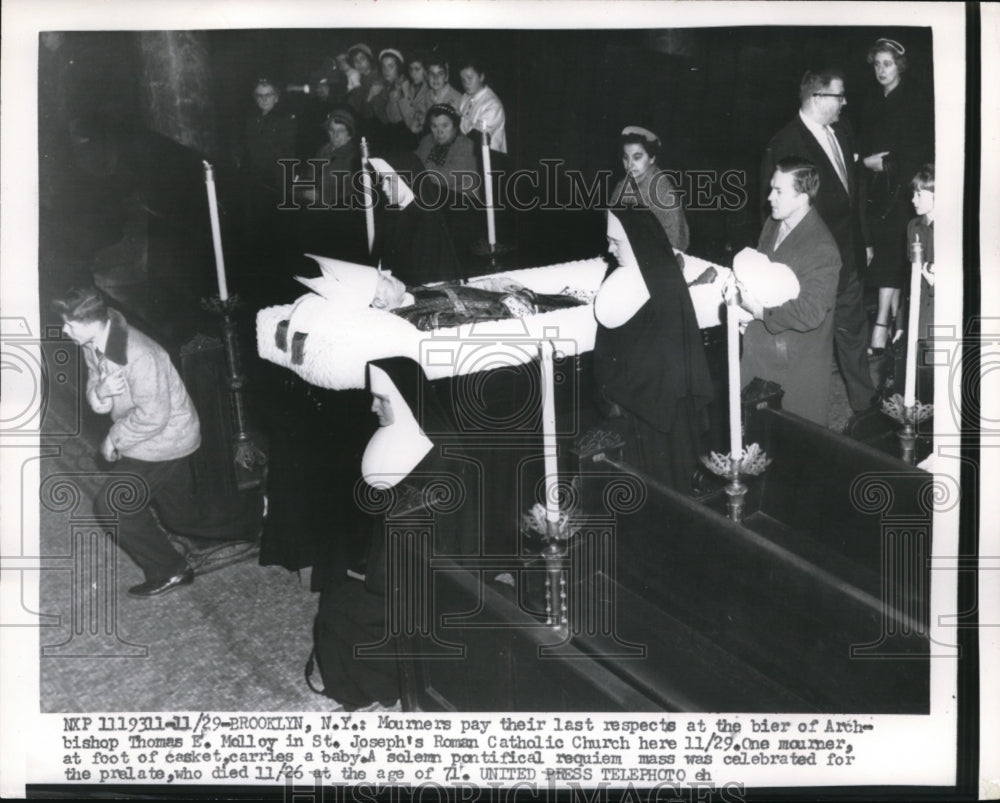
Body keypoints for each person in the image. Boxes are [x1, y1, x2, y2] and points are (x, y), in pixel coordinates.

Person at [53, 287, 261, 597]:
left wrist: (114, 438)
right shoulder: (93, 341)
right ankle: (259, 514)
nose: (64, 329)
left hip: (165, 438)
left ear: (90, 320)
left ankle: (171, 570)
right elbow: (95, 391)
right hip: (147, 433)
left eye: (69, 324)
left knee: (114, 506)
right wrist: (102, 392)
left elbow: (154, 416)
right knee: (182, 516)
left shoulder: (141, 354)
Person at [310, 357, 478, 710]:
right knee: (339, 592)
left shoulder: (437, 468)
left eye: (381, 399)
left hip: (422, 595)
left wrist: (366, 574)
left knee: (338, 610)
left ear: (403, 399)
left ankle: (373, 685)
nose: (372, 406)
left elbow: (402, 568)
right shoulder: (417, 436)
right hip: (406, 572)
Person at [761, 68, 878, 431]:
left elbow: (852, 194)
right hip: (811, 263)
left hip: (849, 253)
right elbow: (773, 211)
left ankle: (864, 403)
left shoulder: (842, 132)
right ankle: (801, 422)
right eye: (838, 96)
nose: (844, 102)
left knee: (853, 330)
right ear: (816, 98)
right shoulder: (785, 143)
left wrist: (865, 239)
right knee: (811, 339)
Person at [592, 208, 713, 492]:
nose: (609, 249)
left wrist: (622, 393)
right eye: (609, 240)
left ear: (636, 241)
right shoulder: (620, 275)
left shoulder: (664, 283)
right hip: (630, 402)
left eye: (616, 242)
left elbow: (668, 362)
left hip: (658, 409)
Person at [738, 159, 842, 425]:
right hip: (759, 351)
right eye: (771, 188)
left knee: (792, 444)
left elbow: (811, 312)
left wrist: (758, 311)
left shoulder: (822, 248)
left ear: (803, 196)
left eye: (779, 191)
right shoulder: (773, 224)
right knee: (754, 436)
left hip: (791, 365)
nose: (769, 197)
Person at [858, 38, 934, 356]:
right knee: (886, 257)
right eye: (876, 64)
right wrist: (865, 161)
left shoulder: (912, 100)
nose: (881, 70)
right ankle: (897, 326)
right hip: (879, 191)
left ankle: (882, 326)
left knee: (894, 256)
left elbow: (915, 149)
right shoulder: (875, 101)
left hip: (903, 192)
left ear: (899, 66)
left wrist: (881, 163)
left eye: (887, 63)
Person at [610, 125, 690, 252]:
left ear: (652, 158)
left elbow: (675, 244)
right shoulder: (623, 184)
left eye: (637, 157)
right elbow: (610, 218)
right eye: (626, 157)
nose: (629, 164)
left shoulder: (663, 194)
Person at [240, 78, 297, 195]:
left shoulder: (285, 120)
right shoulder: (251, 120)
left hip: (276, 181)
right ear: (255, 98)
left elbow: (283, 153)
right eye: (260, 95)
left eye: (268, 95)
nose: (264, 99)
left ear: (276, 98)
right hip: (255, 178)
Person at [414, 103, 479, 203]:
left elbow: (441, 178)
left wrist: (420, 167)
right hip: (437, 199)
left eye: (445, 125)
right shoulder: (427, 141)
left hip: (463, 204)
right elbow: (413, 163)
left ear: (455, 125)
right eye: (434, 126)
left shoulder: (466, 146)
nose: (440, 132)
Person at [457, 59, 507, 154]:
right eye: (463, 80)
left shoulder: (493, 105)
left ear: (481, 77)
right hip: (466, 153)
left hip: (489, 158)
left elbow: (475, 138)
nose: (466, 83)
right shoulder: (465, 97)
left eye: (470, 78)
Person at [388, 51, 432, 135]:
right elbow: (394, 118)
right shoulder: (410, 87)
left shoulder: (430, 92)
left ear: (426, 71)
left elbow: (413, 125)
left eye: (417, 69)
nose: (413, 73)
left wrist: (406, 94)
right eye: (410, 69)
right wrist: (397, 92)